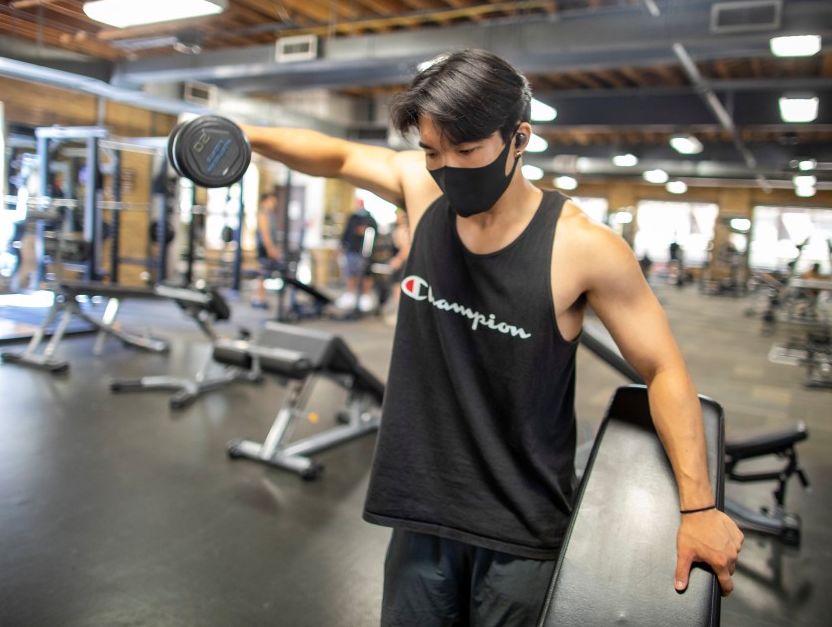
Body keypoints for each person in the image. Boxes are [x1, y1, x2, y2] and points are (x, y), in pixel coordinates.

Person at [239, 48, 742, 625]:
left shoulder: (583, 247)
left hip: (520, 529)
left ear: (518, 138)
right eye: (432, 151)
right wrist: (242, 132)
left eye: (467, 150)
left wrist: (699, 506)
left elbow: (664, 369)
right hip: (420, 513)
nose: (447, 167)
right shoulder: (422, 191)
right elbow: (338, 154)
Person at [336, 199, 378, 312]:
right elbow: (346, 233)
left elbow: (375, 235)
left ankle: (364, 297)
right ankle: (350, 295)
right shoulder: (352, 218)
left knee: (365, 275)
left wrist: (365, 231)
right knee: (351, 273)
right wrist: (341, 247)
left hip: (365, 252)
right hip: (352, 250)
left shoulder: (370, 220)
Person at [253, 191, 284, 309]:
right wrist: (271, 249)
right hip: (264, 247)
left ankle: (260, 297)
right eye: (272, 200)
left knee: (264, 275)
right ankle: (258, 298)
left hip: (267, 247)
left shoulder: (269, 213)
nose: (274, 203)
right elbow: (265, 233)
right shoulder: (263, 213)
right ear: (267, 200)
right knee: (262, 274)